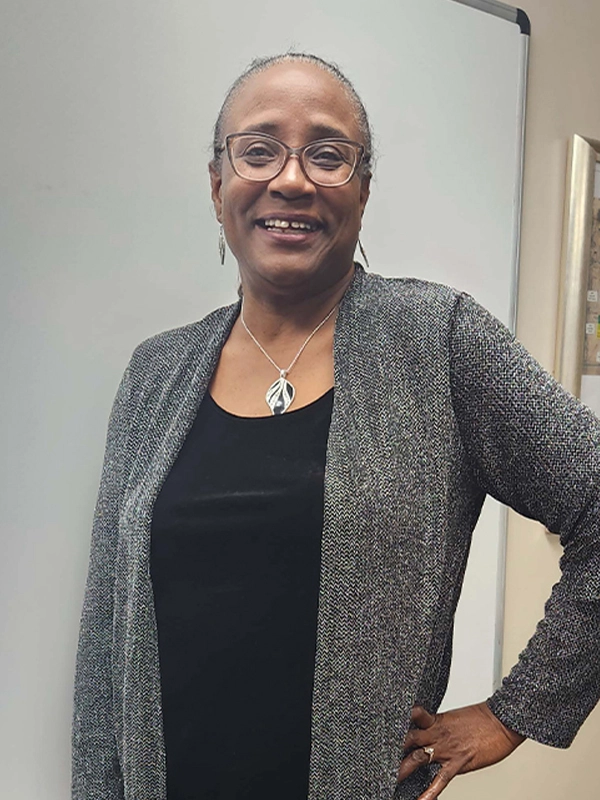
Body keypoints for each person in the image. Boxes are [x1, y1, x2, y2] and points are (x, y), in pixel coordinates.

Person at [72, 52, 600, 800]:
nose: (291, 179)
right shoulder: (156, 373)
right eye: (258, 150)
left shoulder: (438, 340)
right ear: (218, 182)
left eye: (329, 155)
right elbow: (106, 646)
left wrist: (516, 710)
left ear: (363, 188)